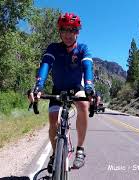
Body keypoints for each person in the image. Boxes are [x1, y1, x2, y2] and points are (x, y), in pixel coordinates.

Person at [28, 12, 94, 173]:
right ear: (60, 32)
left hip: (76, 88)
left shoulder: (83, 49)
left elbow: (87, 68)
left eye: (72, 30)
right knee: (53, 121)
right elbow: (46, 65)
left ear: (77, 32)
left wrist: (90, 88)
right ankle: (55, 153)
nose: (68, 34)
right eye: (64, 30)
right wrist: (38, 86)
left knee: (83, 104)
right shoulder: (54, 48)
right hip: (58, 89)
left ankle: (80, 149)